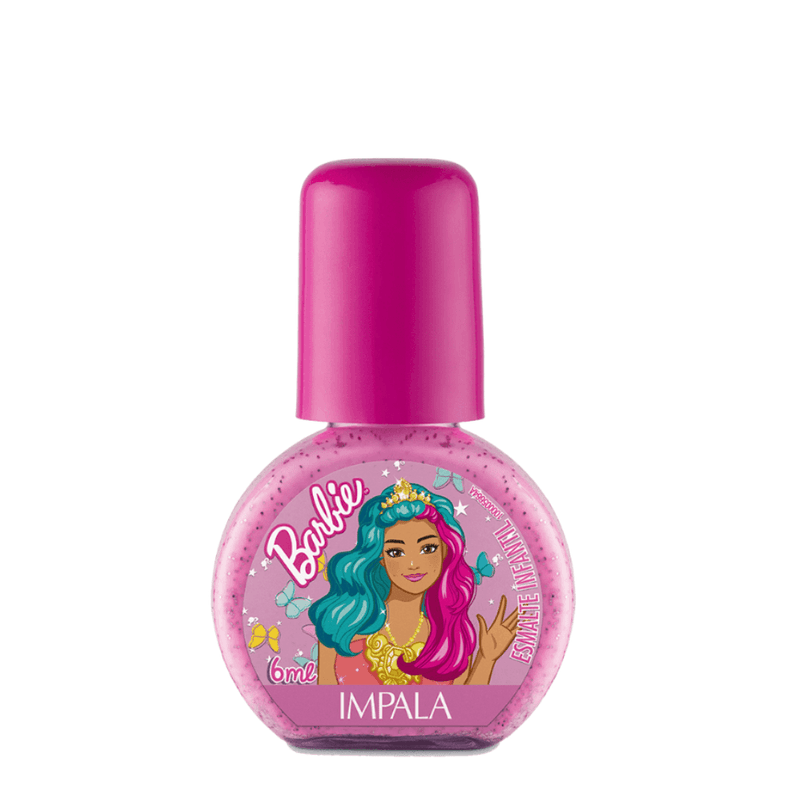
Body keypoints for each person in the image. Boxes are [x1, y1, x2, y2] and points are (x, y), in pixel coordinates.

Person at [309, 479, 519, 685]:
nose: (413, 564)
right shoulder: (341, 625)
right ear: (381, 558)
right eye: (396, 552)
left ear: (445, 552)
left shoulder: (452, 638)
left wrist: (486, 659)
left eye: (427, 549)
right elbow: (323, 704)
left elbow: (465, 706)